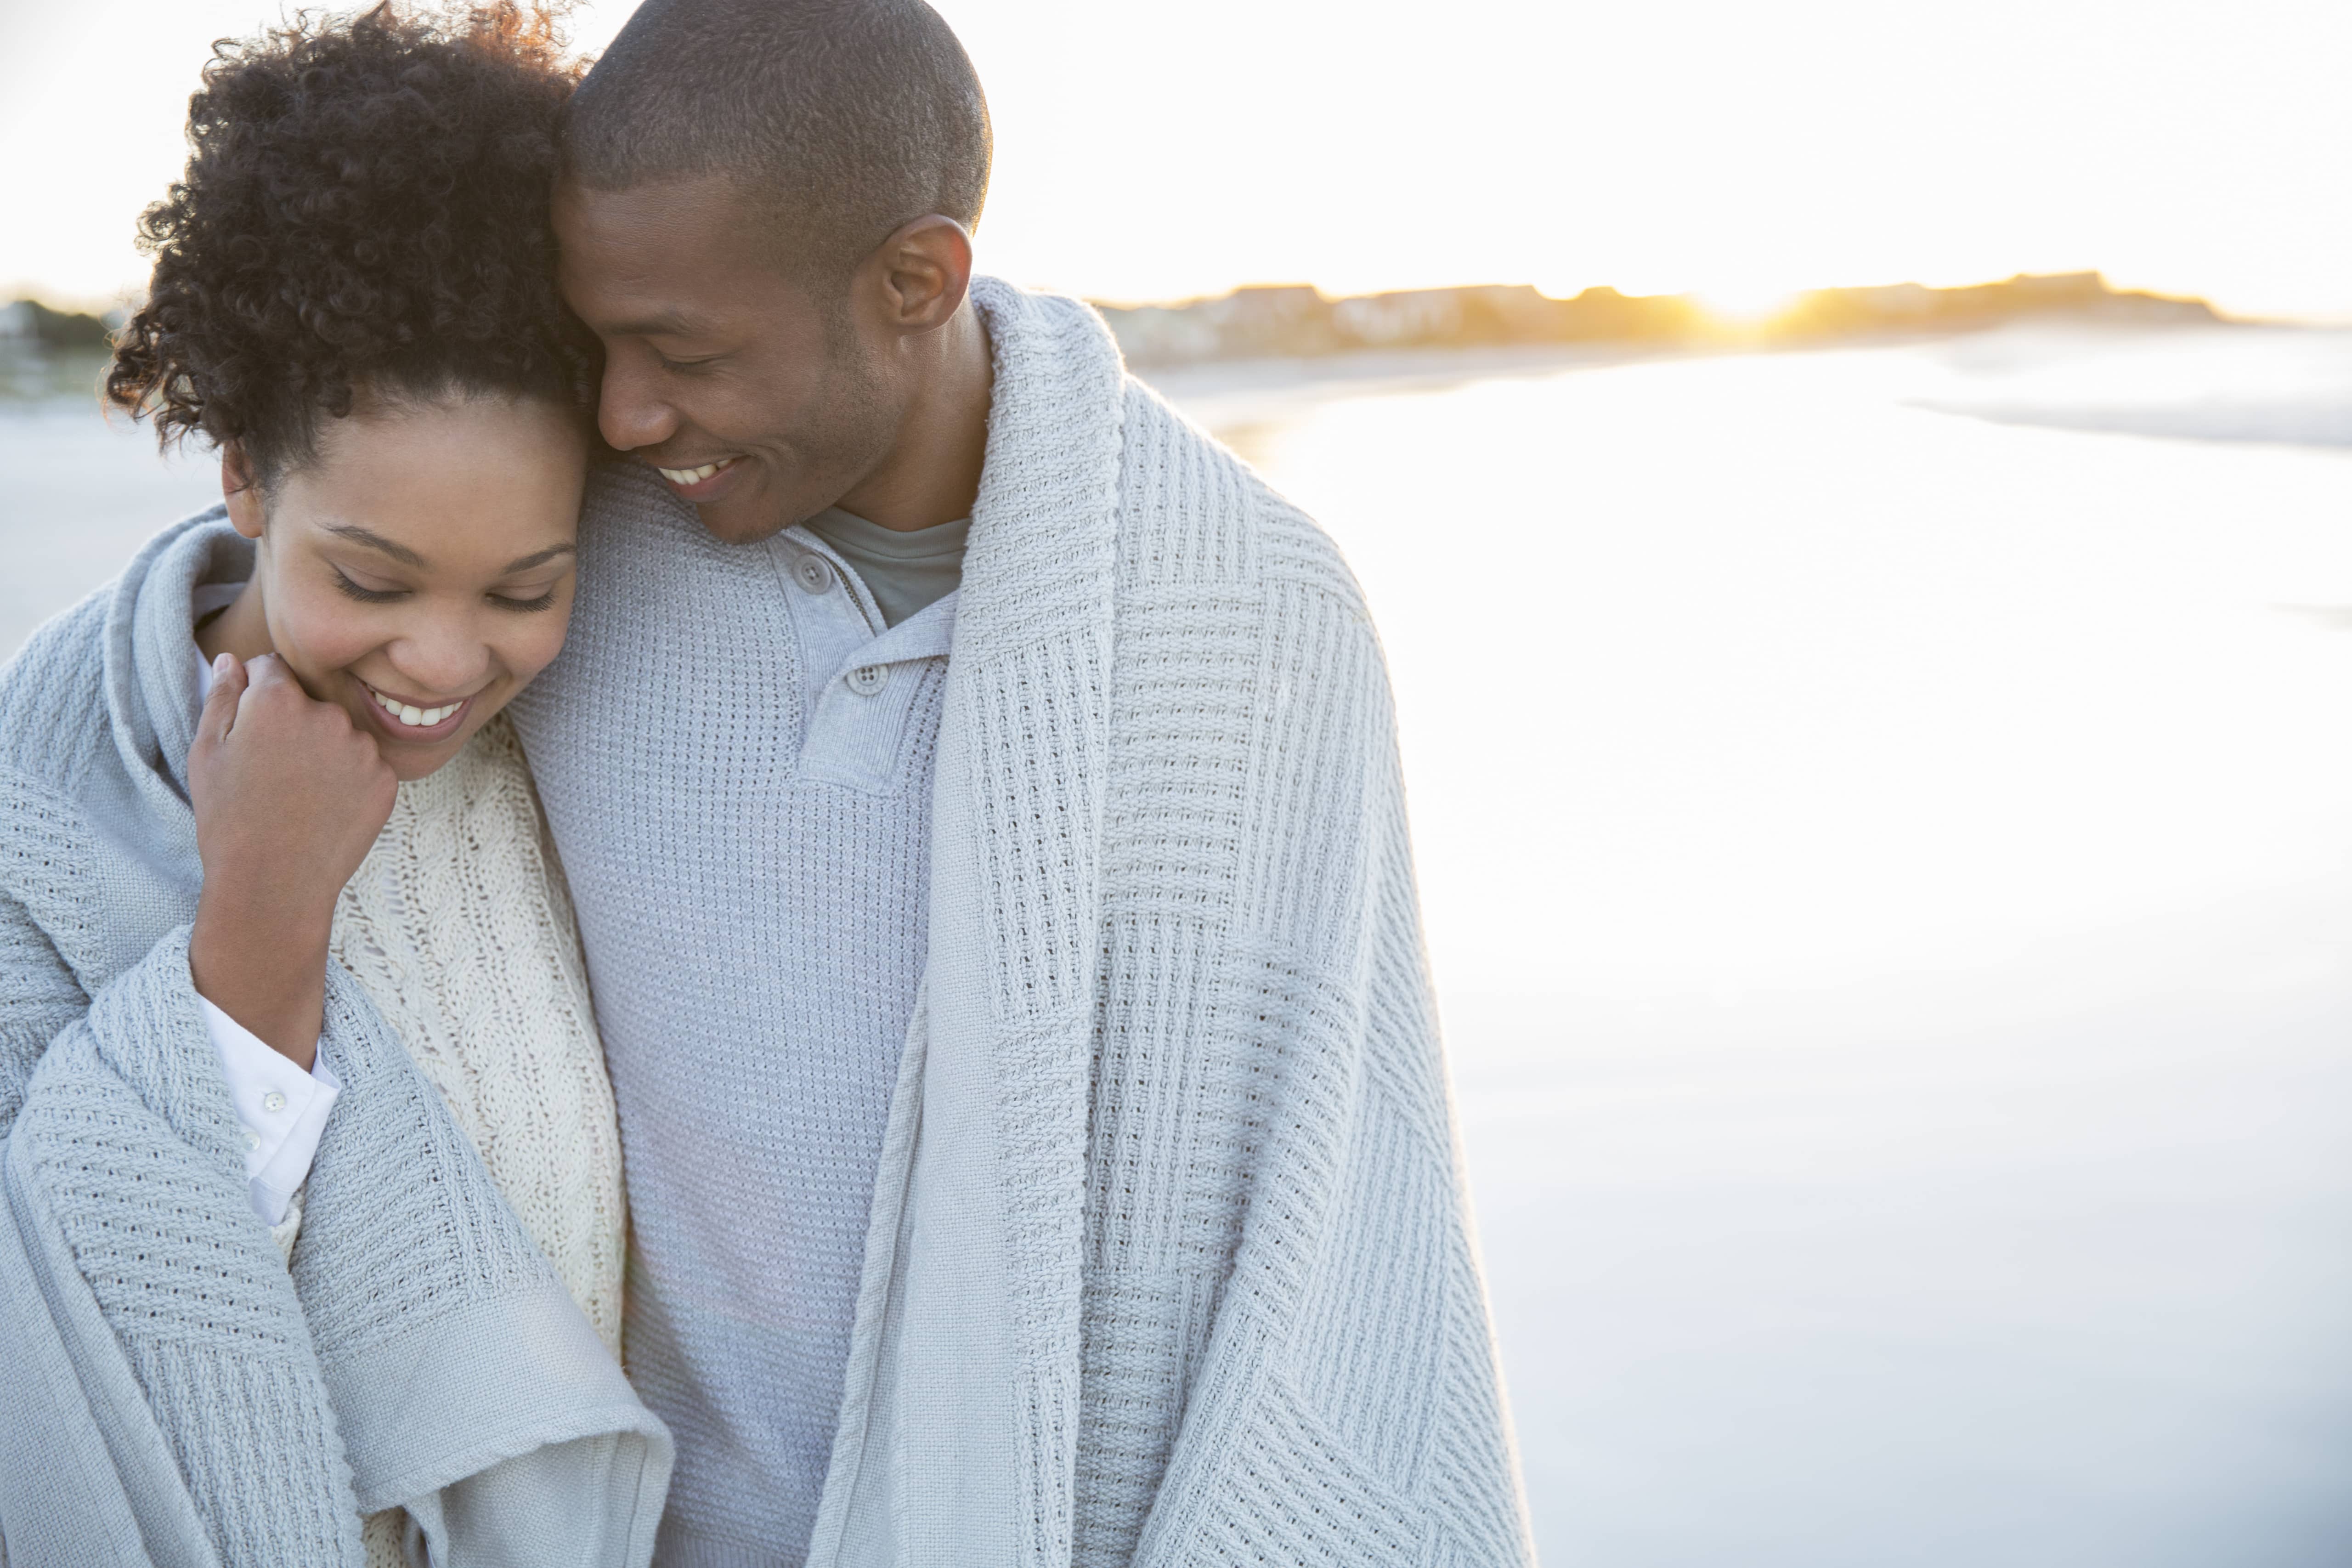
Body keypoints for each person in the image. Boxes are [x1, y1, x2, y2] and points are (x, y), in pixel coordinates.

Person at [519, 0, 1538, 1562]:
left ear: (918, 280)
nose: (626, 415)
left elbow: (1333, 1206)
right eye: (600, 346)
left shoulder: (1253, 610)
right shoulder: (550, 565)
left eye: (688, 354)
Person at [0, 7, 669, 1565]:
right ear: (244, 468)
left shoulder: (596, 732)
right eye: (371, 575)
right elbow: (49, 1322)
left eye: (526, 587)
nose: (444, 658)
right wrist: (259, 926)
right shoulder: (43, 803)